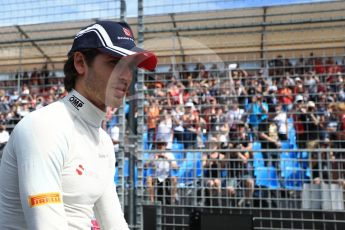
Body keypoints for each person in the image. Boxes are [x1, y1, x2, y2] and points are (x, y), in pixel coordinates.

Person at [0, 21, 157, 230]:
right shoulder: (44, 126)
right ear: (80, 63)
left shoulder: (104, 142)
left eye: (129, 66)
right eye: (114, 62)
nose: (126, 76)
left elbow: (114, 223)